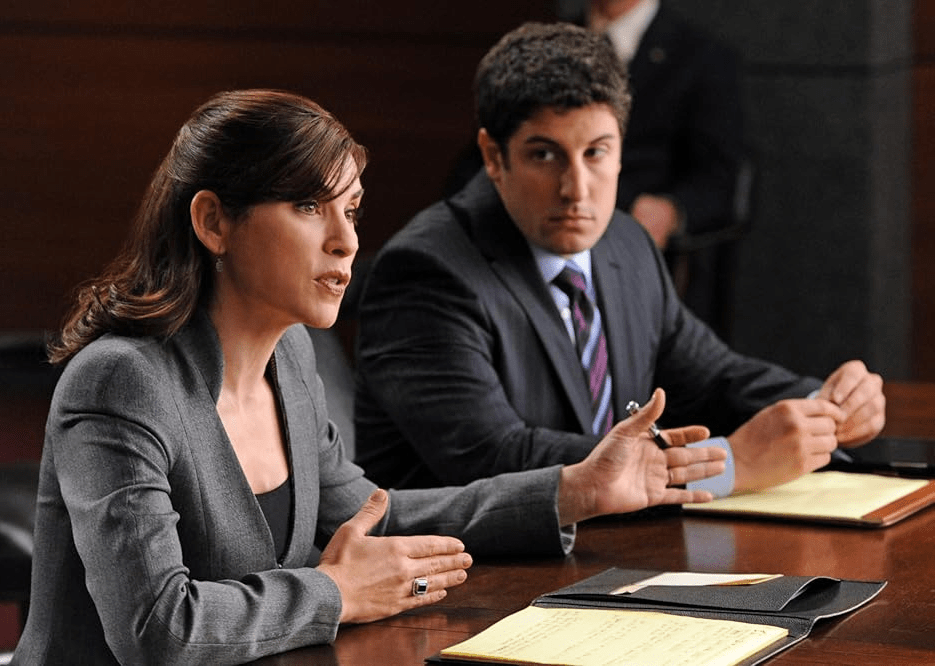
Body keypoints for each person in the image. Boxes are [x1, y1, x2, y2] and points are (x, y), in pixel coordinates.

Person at [11, 89, 725, 665]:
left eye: (350, 210)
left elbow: (377, 515)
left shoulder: (293, 358)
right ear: (213, 222)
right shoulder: (120, 382)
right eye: (307, 206)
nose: (347, 240)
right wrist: (336, 593)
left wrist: (574, 490)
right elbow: (157, 628)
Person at [353, 23, 885, 496]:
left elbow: (711, 378)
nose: (576, 190)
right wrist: (729, 464)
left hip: (614, 553)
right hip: (474, 568)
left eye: (596, 153)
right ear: (494, 156)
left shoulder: (624, 242)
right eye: (544, 155)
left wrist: (826, 405)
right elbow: (496, 459)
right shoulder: (424, 273)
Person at [580, 0, 744, 334]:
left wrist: (671, 210)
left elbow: (720, 178)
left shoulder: (702, 55)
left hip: (636, 248)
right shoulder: (545, 45)